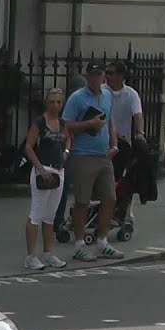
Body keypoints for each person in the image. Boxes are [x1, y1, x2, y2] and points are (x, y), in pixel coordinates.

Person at [63, 61, 123, 261]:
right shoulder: (77, 98)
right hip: (83, 155)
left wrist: (114, 144)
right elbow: (66, 125)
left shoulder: (107, 96)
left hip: (103, 155)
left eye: (100, 74)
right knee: (82, 201)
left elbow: (110, 122)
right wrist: (89, 123)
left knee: (110, 198)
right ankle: (79, 244)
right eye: (93, 75)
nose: (97, 78)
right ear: (87, 77)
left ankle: (102, 242)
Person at [24, 88, 70, 269]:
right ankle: (30, 256)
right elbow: (29, 147)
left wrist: (66, 153)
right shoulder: (39, 123)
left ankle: (49, 252)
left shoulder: (62, 122)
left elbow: (67, 139)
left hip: (59, 170)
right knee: (36, 214)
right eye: (52, 102)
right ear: (46, 103)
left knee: (50, 215)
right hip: (43, 169)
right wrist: (40, 169)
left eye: (59, 102)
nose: (56, 105)